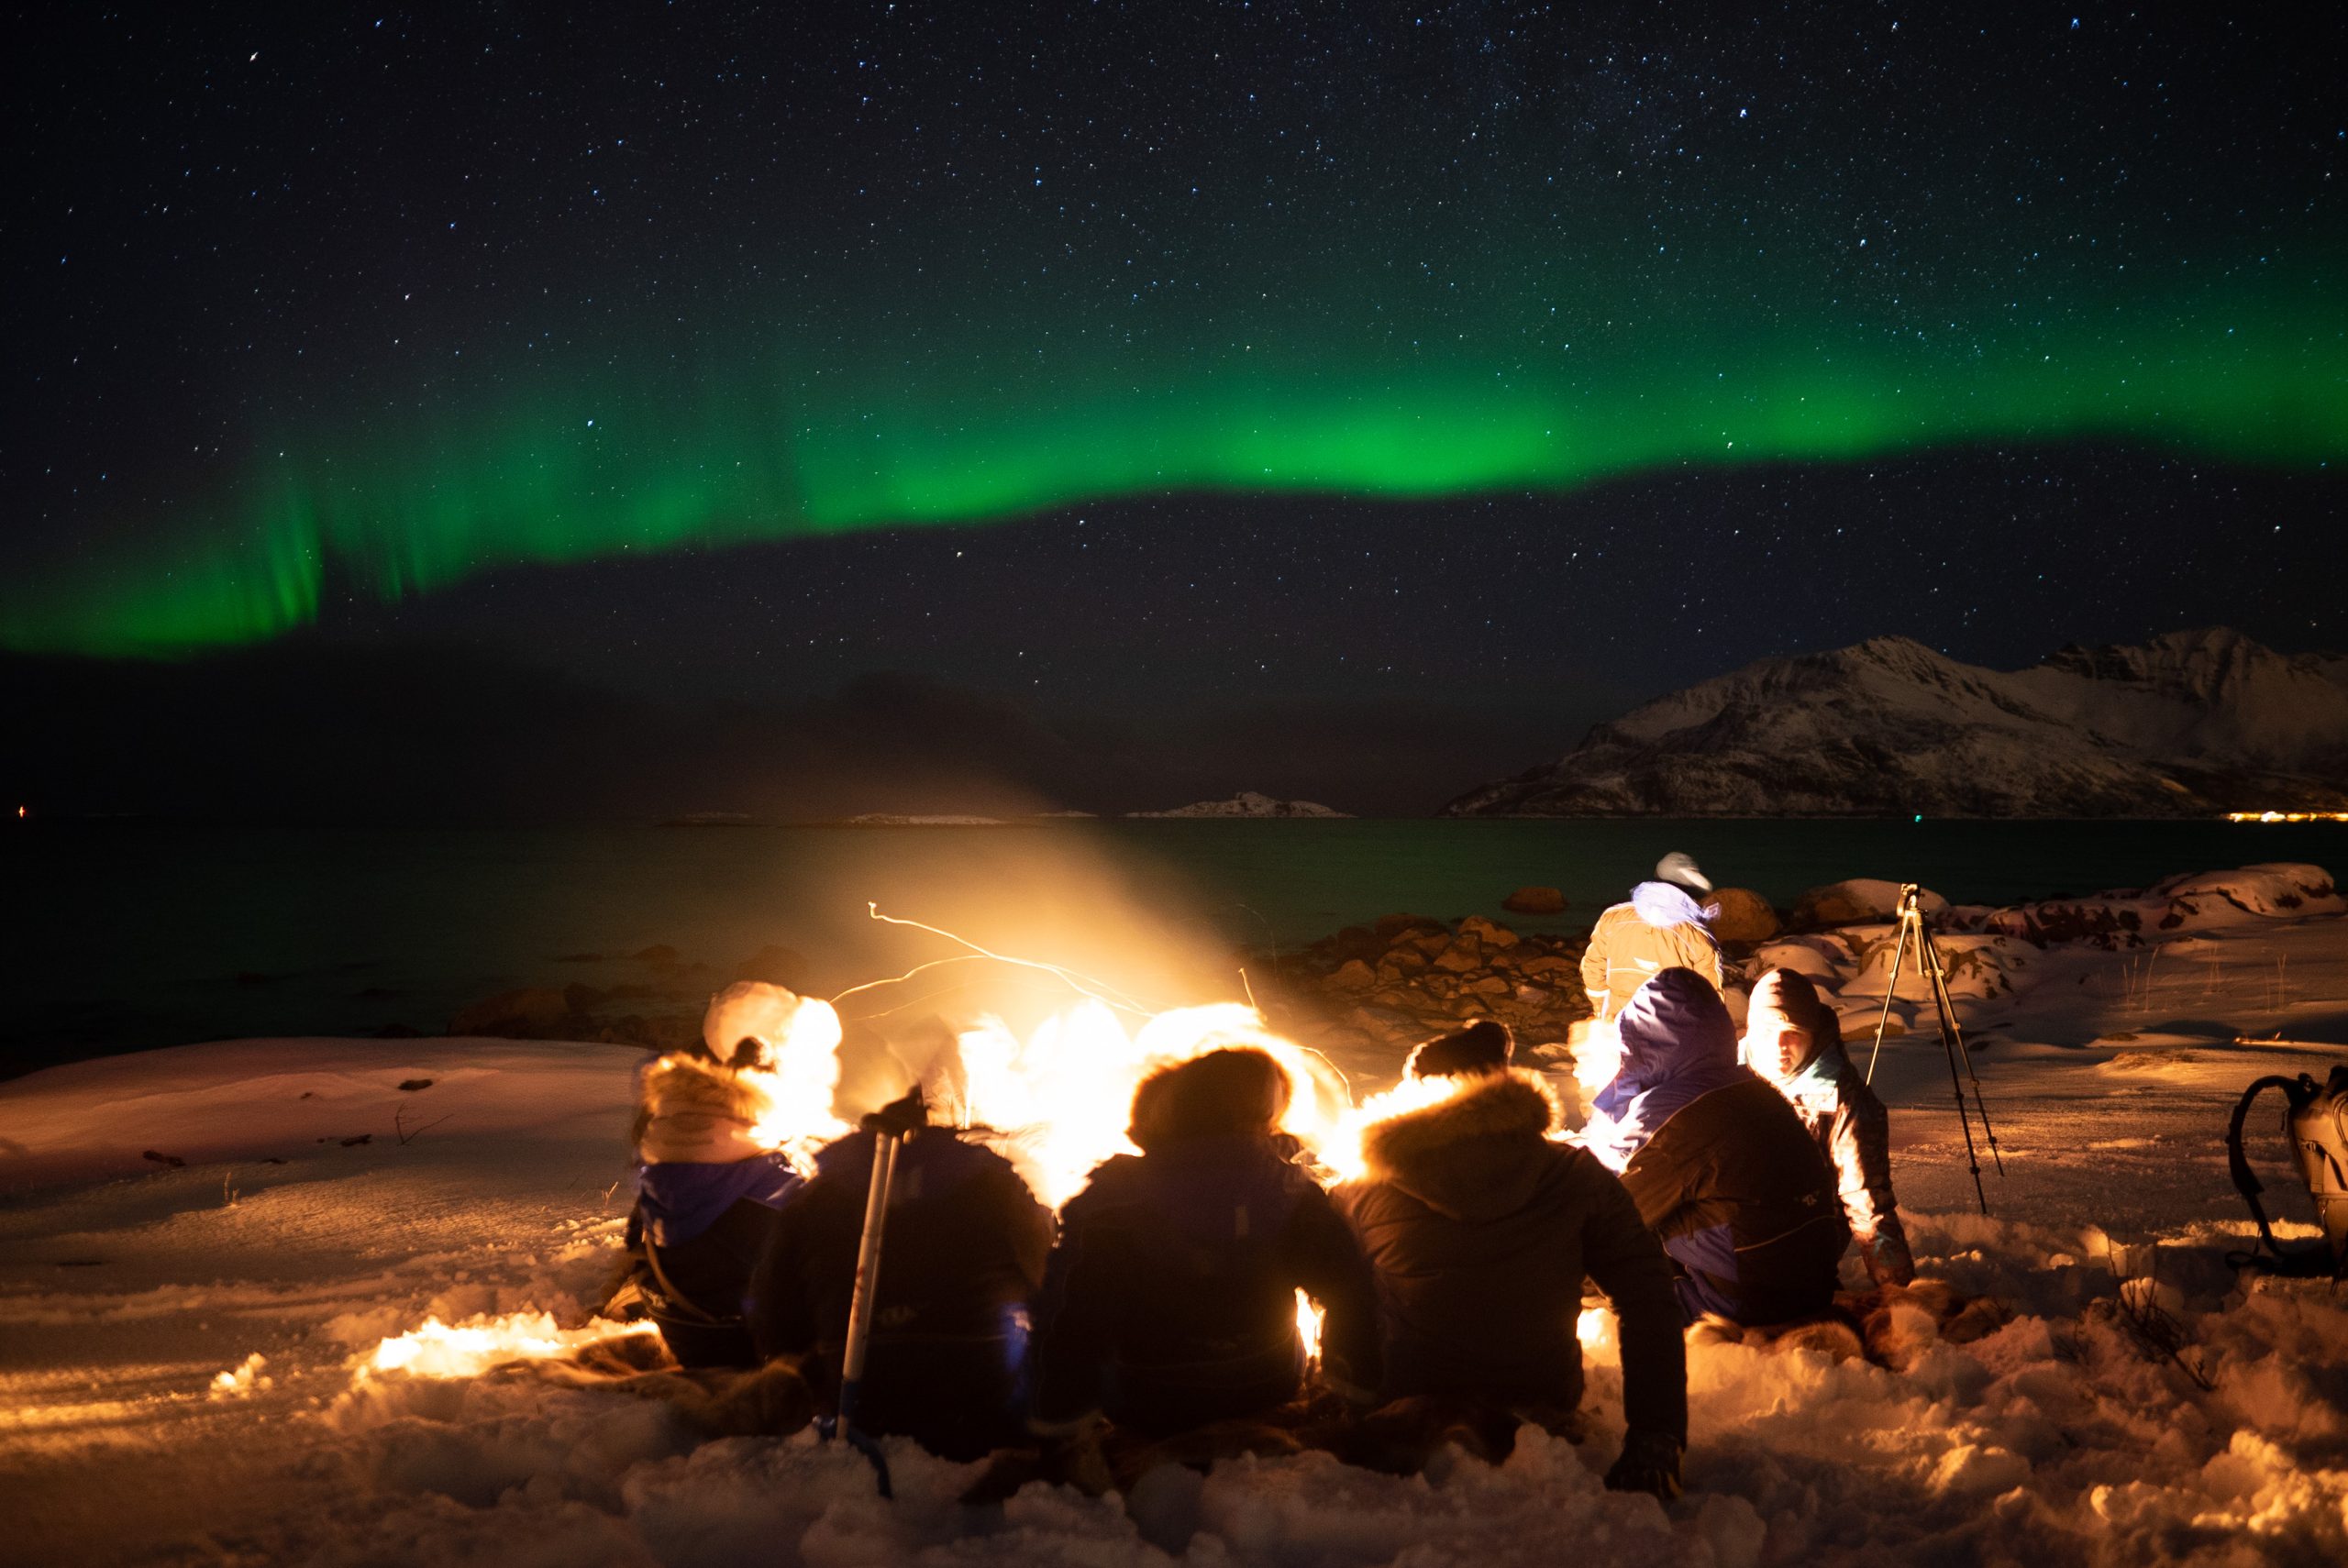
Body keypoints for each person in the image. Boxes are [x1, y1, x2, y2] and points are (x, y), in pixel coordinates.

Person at [1335, 1021, 1689, 1498]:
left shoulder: (1360, 1193)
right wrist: (1656, 1432)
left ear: (1413, 1097)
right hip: (1541, 1402)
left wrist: (1350, 1399)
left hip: (1409, 1403)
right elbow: (1647, 1295)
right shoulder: (1575, 1176)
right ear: (1505, 1086)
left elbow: (1340, 1299)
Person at [1031, 1047, 1379, 1437]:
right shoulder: (1290, 1189)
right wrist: (1354, 1389)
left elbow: (1068, 1312)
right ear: (1267, 1114)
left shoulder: (1114, 1196)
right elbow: (1349, 1290)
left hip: (1150, 1391)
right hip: (1266, 1380)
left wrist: (1057, 1417)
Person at [746, 1092, 1054, 1460]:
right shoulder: (995, 1185)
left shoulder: (814, 1197)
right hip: (980, 1384)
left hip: (858, 1386)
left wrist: (808, 1357)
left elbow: (771, 1307)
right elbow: (1046, 1273)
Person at [1585, 968, 1847, 1327]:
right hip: (1812, 1290)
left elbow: (1607, 1211)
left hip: (1744, 1307)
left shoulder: (1670, 1114)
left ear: (1643, 1044)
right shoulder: (1752, 1088)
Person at [626, 984, 816, 1367]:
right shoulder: (771, 1183)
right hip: (745, 1342)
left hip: (683, 1329)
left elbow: (634, 1243)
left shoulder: (667, 1160)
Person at [1744, 968, 1916, 1286]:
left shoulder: (1841, 1102)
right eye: (1768, 1031)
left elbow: (1865, 1199)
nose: (1780, 1045)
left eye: (1793, 1032)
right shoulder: (1726, 1076)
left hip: (1802, 1238)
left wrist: (1897, 1291)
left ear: (1812, 1033)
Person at [1580, 853, 1723, 1021]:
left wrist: (1600, 1008)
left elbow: (1592, 967)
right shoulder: (1697, 936)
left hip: (1618, 1021)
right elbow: (1710, 995)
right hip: (1670, 1027)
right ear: (1692, 888)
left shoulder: (1613, 917)